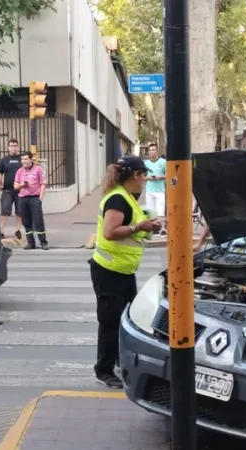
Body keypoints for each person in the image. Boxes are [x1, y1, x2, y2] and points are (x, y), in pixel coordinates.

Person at [90, 155, 161, 388]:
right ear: (136, 175)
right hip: (109, 270)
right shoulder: (117, 199)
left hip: (122, 270)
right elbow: (111, 232)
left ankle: (121, 361)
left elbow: (133, 231)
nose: (146, 180)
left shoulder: (127, 197)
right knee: (110, 323)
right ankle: (104, 370)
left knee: (127, 319)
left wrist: (148, 225)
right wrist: (138, 226)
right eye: (144, 175)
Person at [15, 151, 48, 250]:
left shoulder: (38, 170)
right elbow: (15, 186)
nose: (23, 161)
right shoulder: (20, 171)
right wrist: (21, 185)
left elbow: (43, 184)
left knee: (38, 221)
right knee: (26, 221)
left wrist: (40, 199)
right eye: (22, 159)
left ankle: (43, 242)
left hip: (34, 198)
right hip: (23, 198)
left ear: (30, 159)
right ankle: (30, 243)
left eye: (25, 159)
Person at [0, 139, 24, 240]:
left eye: (15, 145)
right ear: (8, 147)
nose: (13, 147)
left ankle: (17, 230)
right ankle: (1, 231)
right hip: (7, 190)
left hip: (20, 190)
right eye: (11, 145)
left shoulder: (22, 158)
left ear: (18, 147)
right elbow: (0, 172)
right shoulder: (4, 160)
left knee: (20, 211)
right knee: (4, 211)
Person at [144, 143, 167, 234]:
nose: (151, 152)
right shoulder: (146, 163)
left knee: (160, 211)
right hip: (149, 190)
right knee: (151, 211)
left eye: (153, 150)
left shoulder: (163, 162)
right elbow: (142, 177)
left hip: (160, 190)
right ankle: (153, 229)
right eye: (150, 150)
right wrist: (150, 178)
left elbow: (168, 175)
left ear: (157, 151)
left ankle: (162, 229)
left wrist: (159, 177)